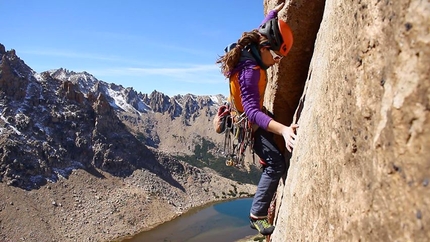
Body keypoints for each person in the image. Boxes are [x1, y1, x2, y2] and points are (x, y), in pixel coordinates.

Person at [216, 3, 298, 236]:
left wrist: (275, 12)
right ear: (264, 49)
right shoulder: (250, 70)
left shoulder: (252, 45)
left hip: (247, 113)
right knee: (275, 164)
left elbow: (262, 28)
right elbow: (252, 113)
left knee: (271, 151)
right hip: (248, 123)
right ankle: (257, 215)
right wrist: (282, 130)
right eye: (275, 56)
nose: (276, 62)